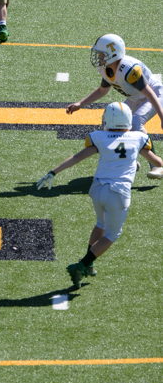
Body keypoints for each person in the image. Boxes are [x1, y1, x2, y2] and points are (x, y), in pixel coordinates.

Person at [36, 102, 163, 288]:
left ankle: (89, 264)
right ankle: (82, 265)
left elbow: (77, 157)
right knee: (112, 234)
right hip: (118, 192)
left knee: (100, 224)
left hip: (97, 189)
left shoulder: (99, 137)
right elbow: (157, 162)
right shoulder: (138, 138)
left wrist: (53, 172)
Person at [66, 33, 163, 179]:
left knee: (136, 122)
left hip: (155, 94)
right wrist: (81, 103)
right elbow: (102, 90)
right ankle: (129, 159)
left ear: (113, 54)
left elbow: (149, 93)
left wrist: (162, 117)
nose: (98, 57)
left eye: (101, 54)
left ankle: (157, 165)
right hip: (135, 97)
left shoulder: (128, 69)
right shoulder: (107, 68)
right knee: (109, 120)